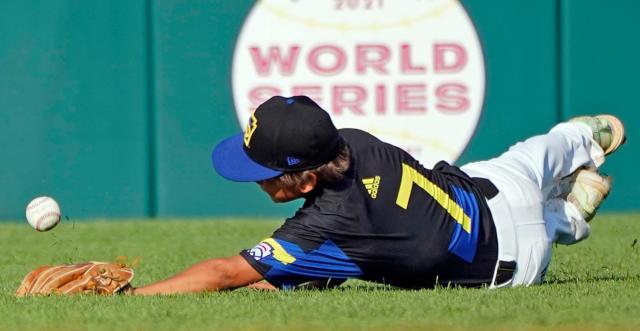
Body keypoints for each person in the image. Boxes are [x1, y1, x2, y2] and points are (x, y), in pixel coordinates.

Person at [132, 95, 625, 294]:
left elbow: (225, 273)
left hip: (514, 269)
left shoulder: (327, 225)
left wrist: (134, 299)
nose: (257, 181)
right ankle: (582, 139)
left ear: (305, 181)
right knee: (531, 155)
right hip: (494, 192)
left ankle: (570, 215)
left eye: (263, 172)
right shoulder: (352, 140)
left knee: (543, 217)